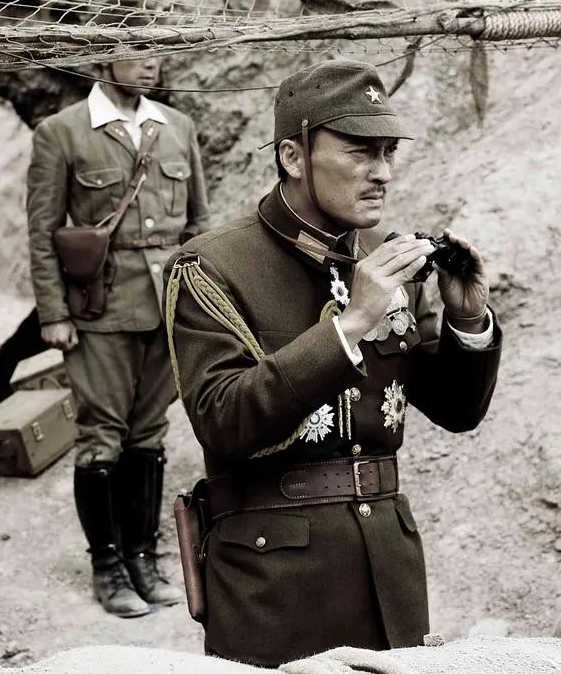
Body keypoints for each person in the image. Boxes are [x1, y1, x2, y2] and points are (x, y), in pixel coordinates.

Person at [165, 60, 502, 666]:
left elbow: (456, 411)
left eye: (389, 152)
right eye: (360, 152)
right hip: (274, 581)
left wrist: (469, 320)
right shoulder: (212, 266)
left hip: (388, 568)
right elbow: (222, 420)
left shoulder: (388, 260)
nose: (383, 173)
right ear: (293, 157)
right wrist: (349, 326)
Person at [26, 56, 209, 617]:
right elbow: (43, 231)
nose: (152, 61)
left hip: (168, 305)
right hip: (99, 308)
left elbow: (199, 224)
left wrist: (198, 299)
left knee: (149, 433)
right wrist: (54, 313)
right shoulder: (62, 132)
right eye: (137, 48)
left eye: (157, 49)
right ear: (105, 56)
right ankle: (108, 568)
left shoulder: (177, 127)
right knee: (101, 436)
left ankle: (143, 560)